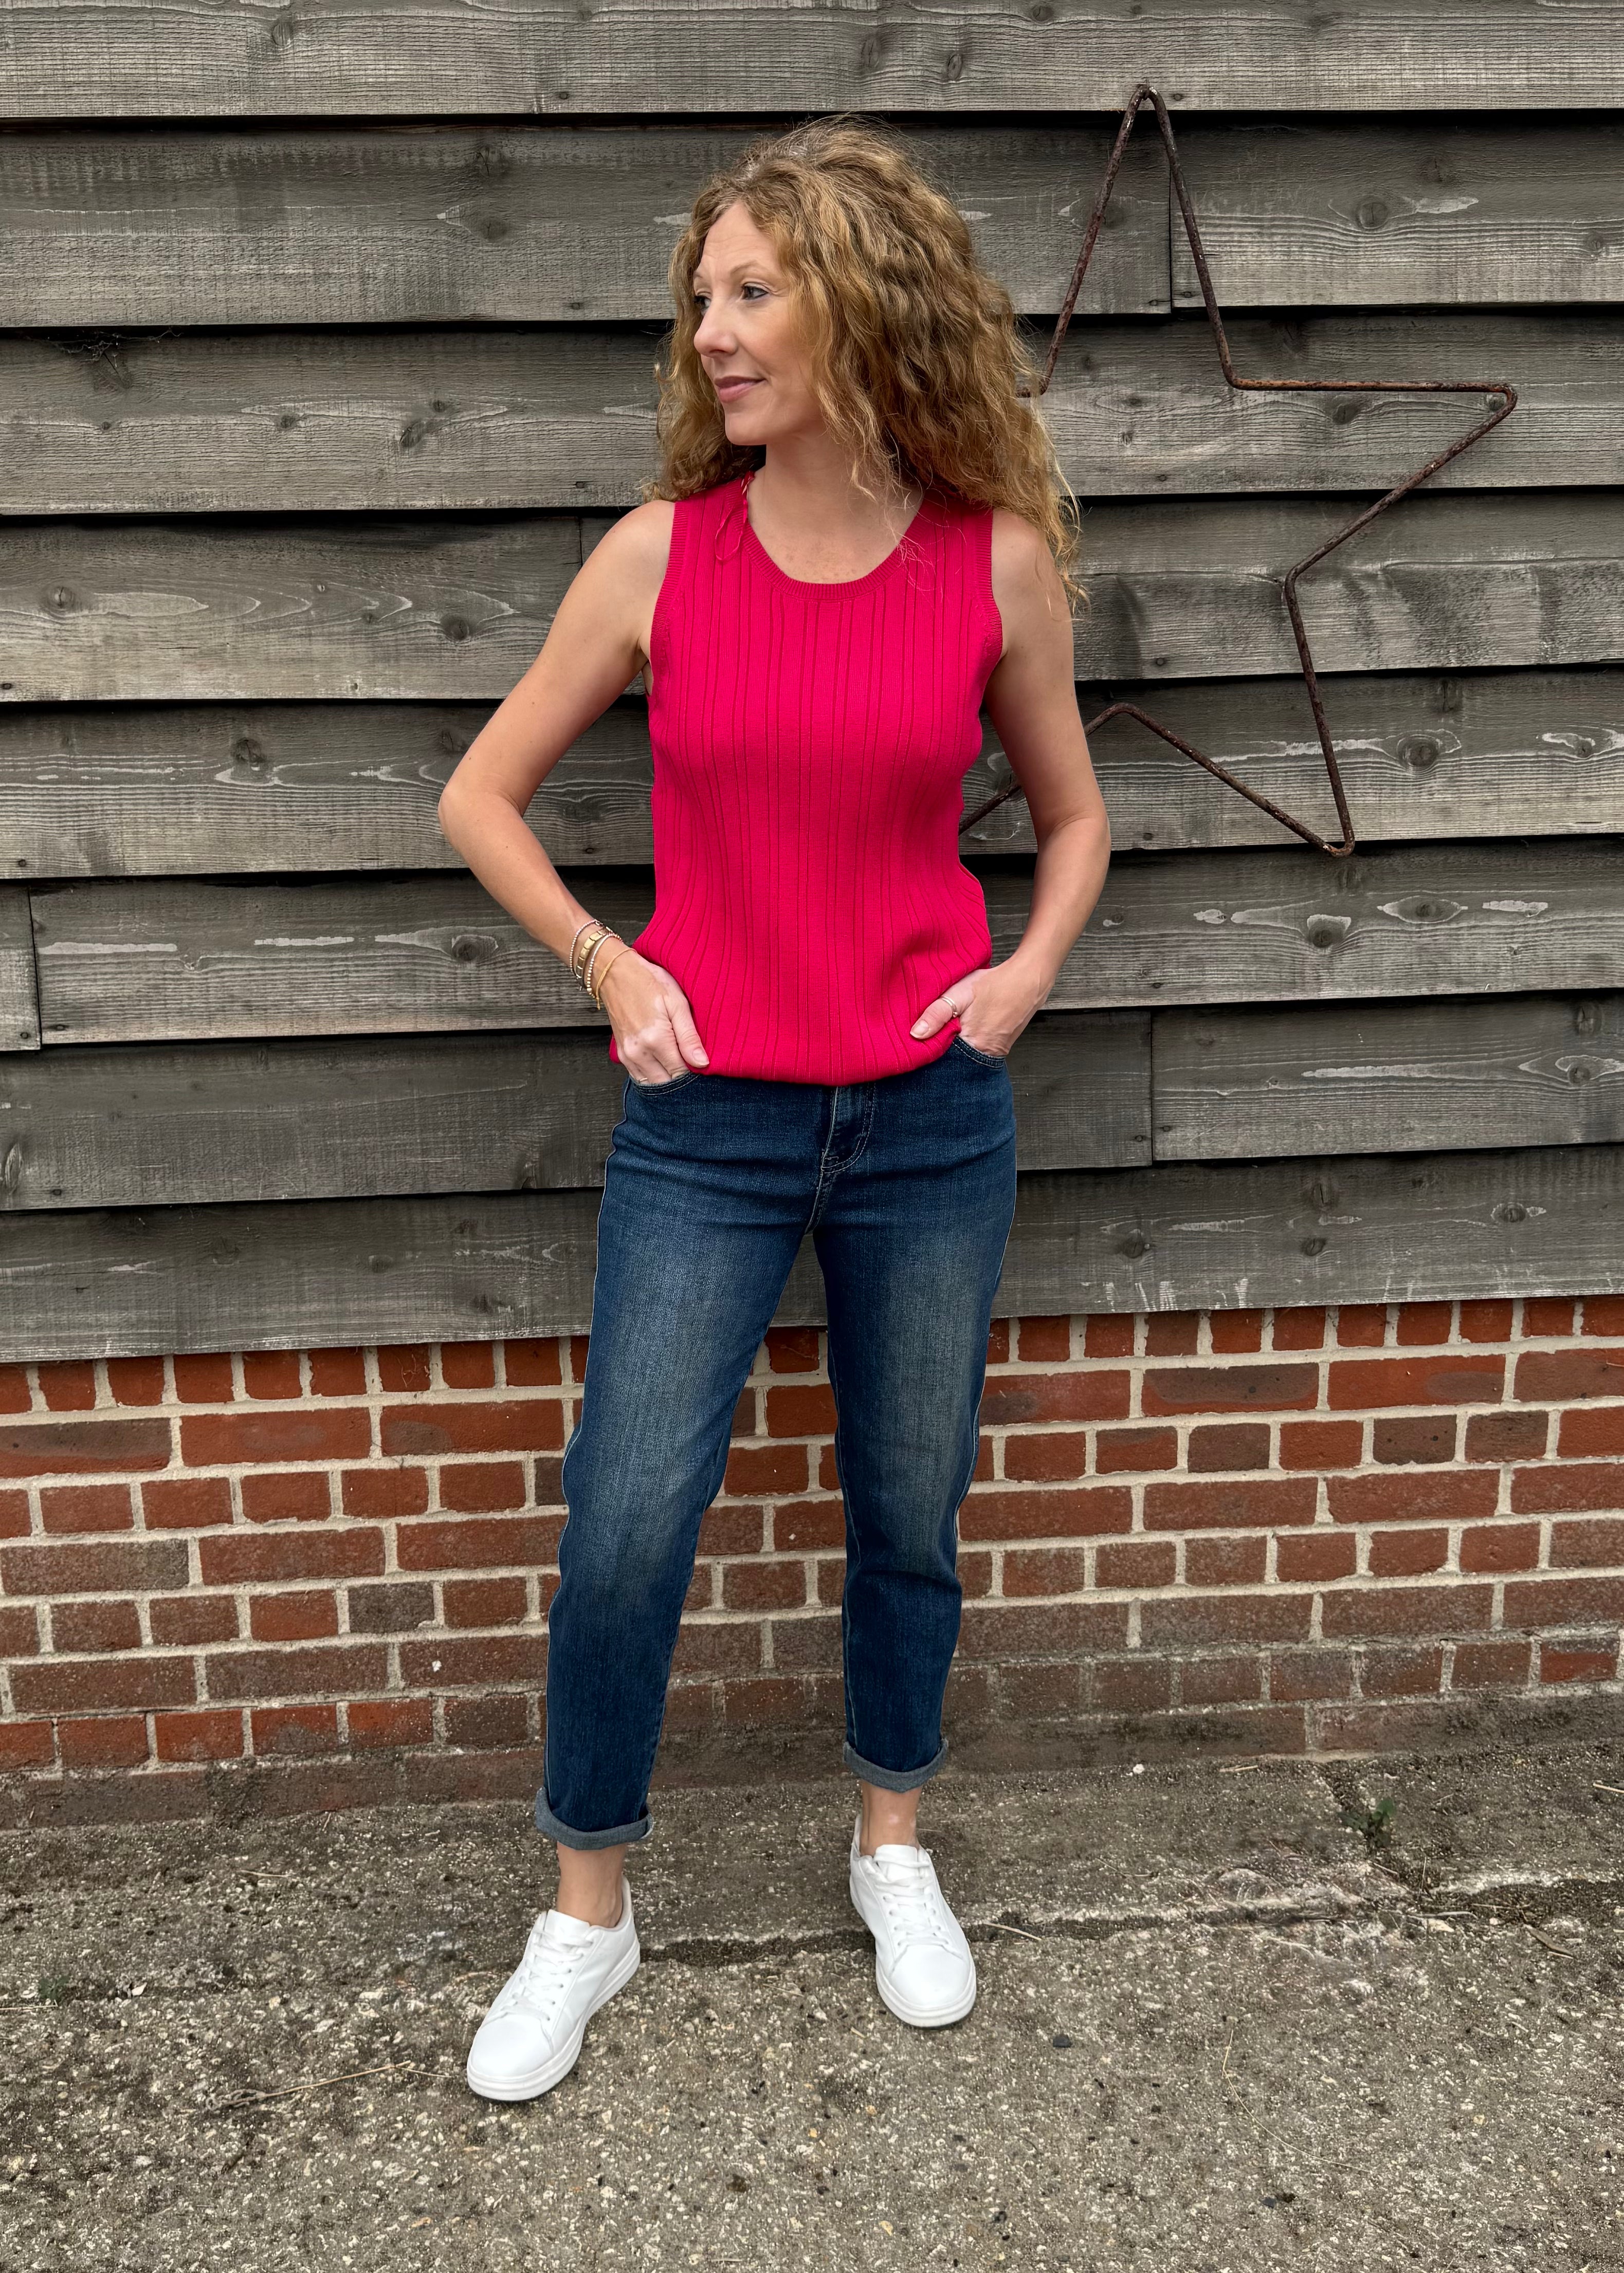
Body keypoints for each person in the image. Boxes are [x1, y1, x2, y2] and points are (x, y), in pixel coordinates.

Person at [435, 113, 1111, 2102]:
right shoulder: (661, 558)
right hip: (707, 1123)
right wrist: (607, 962)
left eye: (751, 290)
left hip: (925, 1119)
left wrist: (1021, 977)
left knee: (909, 1506)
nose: (712, 333)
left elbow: (1072, 820)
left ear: (858, 299)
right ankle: (588, 1909)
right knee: (626, 1521)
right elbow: (477, 795)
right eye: (701, 298)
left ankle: (889, 1841)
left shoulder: (993, 563)